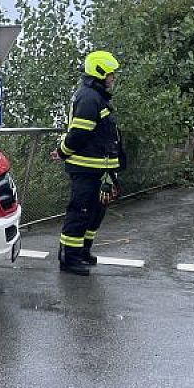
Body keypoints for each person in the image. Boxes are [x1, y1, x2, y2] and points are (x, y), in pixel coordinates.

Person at [53, 50, 125, 276]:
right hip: (86, 169)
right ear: (100, 72)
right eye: (111, 74)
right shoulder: (88, 97)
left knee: (95, 212)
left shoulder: (96, 97)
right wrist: (62, 152)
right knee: (80, 211)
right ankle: (69, 258)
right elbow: (79, 134)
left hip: (99, 168)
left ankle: (83, 251)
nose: (113, 78)